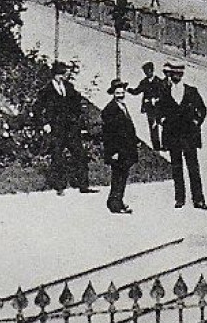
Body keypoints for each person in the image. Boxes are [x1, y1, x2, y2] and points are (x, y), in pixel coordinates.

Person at [31, 61, 96, 196]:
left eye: (63, 74)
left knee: (80, 154)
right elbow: (37, 108)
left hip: (71, 128)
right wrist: (45, 123)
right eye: (59, 74)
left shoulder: (69, 87)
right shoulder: (46, 91)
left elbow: (78, 103)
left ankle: (84, 185)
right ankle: (59, 186)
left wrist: (78, 119)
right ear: (53, 75)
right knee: (57, 157)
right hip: (56, 129)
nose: (62, 77)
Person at [157, 61, 207, 210]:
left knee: (193, 167)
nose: (176, 76)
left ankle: (198, 199)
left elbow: (202, 109)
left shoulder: (192, 91)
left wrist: (196, 121)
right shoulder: (165, 92)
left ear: (182, 75)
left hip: (189, 136)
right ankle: (179, 198)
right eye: (174, 74)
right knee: (176, 167)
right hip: (173, 135)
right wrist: (162, 120)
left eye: (179, 74)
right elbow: (158, 110)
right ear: (171, 75)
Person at [100, 79, 138, 214]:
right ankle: (115, 204)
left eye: (122, 93)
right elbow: (108, 134)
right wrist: (113, 151)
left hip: (126, 149)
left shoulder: (122, 106)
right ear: (113, 94)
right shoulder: (109, 110)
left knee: (123, 176)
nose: (121, 95)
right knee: (118, 177)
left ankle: (117, 201)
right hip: (118, 151)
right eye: (118, 93)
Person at [126, 60, 169, 150]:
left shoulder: (158, 81)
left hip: (159, 108)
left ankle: (165, 145)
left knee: (164, 124)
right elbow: (136, 91)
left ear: (152, 70)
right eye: (145, 72)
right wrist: (127, 89)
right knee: (153, 127)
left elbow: (164, 95)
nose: (146, 73)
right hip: (149, 108)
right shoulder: (144, 82)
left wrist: (156, 99)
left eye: (148, 71)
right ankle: (156, 147)